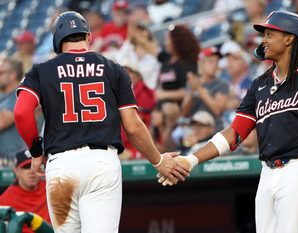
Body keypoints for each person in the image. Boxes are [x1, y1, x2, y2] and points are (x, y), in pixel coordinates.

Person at [158, 11, 298, 233]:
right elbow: (236, 132)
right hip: (267, 172)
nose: (263, 40)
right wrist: (192, 160)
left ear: (289, 38)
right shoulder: (259, 85)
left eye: (270, 34)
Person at [13, 11, 188, 233]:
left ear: (58, 40)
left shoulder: (41, 70)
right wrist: (157, 161)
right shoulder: (113, 68)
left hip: (61, 164)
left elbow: (20, 113)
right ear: (88, 37)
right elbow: (132, 126)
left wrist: (37, 152)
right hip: (101, 162)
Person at [0, 149, 51, 233]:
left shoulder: (51, 188)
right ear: (16, 171)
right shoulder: (4, 200)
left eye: (35, 166)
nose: (31, 171)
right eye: (26, 167)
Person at [182, 47, 229, 131]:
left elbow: (218, 110)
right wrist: (192, 91)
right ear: (201, 63)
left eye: (216, 62)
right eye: (210, 61)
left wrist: (199, 89)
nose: (214, 65)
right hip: (194, 129)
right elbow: (184, 112)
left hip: (214, 129)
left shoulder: (222, 84)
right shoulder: (192, 82)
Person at [0, 58, 26, 164]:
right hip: (4, 159)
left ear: (12, 75)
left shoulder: (20, 94)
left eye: (1, 72)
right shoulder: (3, 97)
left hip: (17, 159)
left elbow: (2, 122)